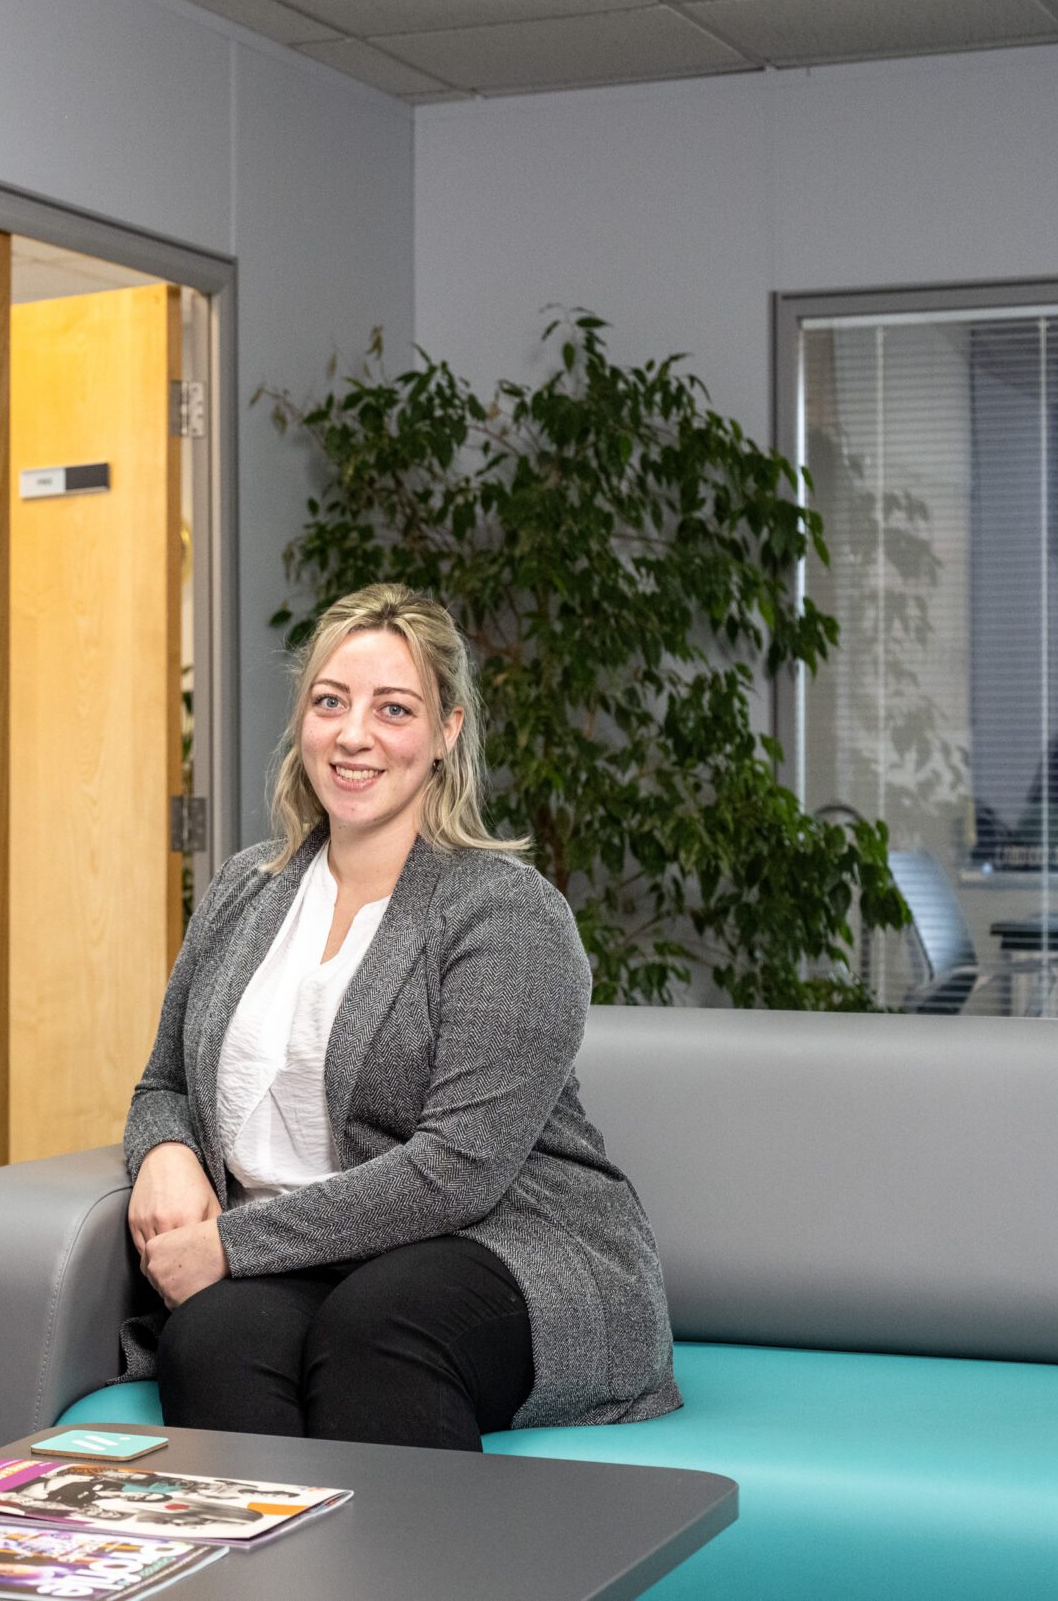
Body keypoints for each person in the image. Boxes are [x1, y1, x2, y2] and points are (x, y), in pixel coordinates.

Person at [121, 583, 679, 1450]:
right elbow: (163, 1082)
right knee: (210, 1339)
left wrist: (230, 1244)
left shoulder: (506, 913)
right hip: (309, 1261)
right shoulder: (244, 889)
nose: (354, 734)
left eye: (394, 708)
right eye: (330, 702)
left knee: (378, 1330)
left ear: (447, 730)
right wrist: (162, 1152)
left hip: (506, 1246)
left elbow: (455, 1173)